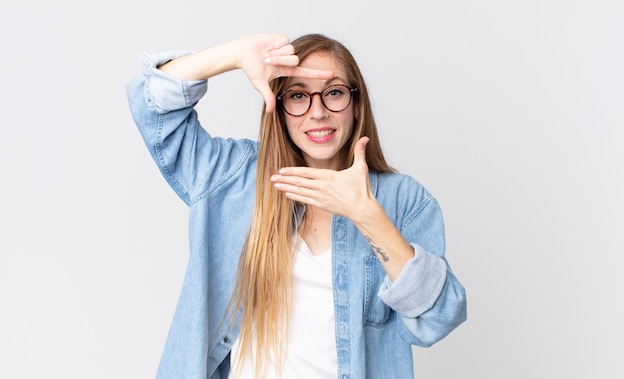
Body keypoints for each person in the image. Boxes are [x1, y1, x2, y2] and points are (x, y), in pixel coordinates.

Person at [126, 33, 467, 379]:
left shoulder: (403, 201)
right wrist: (235, 55)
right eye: (299, 95)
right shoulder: (235, 178)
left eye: (334, 93)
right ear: (279, 107)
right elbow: (151, 103)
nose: (317, 112)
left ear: (357, 104)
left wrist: (368, 216)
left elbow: (439, 317)